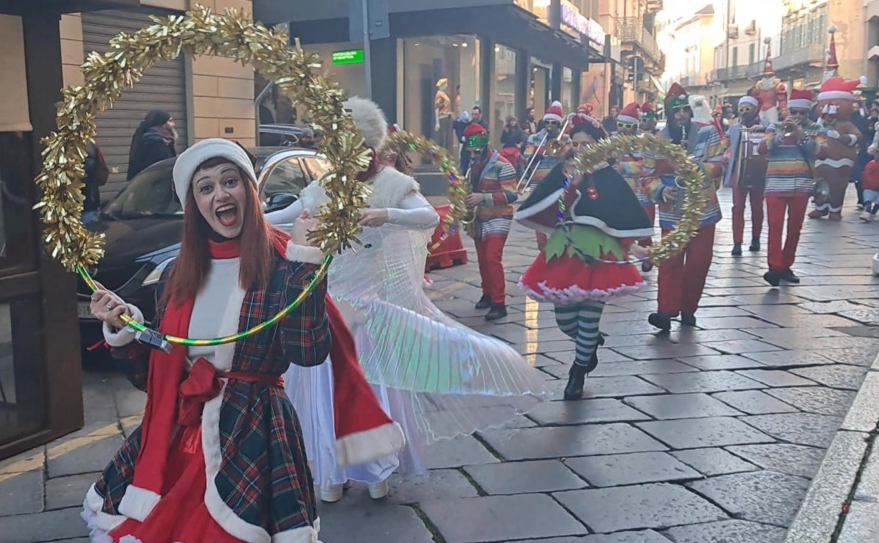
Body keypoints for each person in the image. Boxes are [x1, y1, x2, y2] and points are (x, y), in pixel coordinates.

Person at [84, 138, 403, 543]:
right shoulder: (179, 272)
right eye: (205, 187)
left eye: (229, 181)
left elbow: (308, 350)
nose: (220, 195)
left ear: (250, 190)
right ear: (193, 204)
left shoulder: (281, 260)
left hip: (250, 439)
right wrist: (124, 332)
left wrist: (305, 261)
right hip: (174, 450)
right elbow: (157, 379)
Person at [266, 98, 550, 502]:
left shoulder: (393, 183)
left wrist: (387, 214)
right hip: (324, 311)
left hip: (369, 310)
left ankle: (375, 469)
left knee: (374, 387)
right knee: (322, 391)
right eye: (336, 147)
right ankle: (329, 471)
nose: (343, 155)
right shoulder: (325, 186)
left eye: (350, 145)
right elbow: (286, 213)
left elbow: (428, 216)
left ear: (366, 144)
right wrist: (246, 215)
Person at [515, 117, 652, 400]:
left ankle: (577, 372)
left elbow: (619, 217)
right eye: (575, 143)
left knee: (589, 316)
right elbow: (555, 210)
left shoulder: (608, 176)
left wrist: (635, 248)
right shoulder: (562, 171)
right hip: (564, 251)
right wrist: (570, 186)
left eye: (585, 144)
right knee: (565, 321)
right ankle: (589, 344)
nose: (579, 149)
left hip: (599, 254)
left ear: (598, 146)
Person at [644, 84, 725, 331]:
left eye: (684, 110)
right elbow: (646, 176)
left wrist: (697, 169)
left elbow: (719, 164)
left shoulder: (708, 132)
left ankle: (689, 308)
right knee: (670, 261)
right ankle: (665, 311)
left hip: (704, 208)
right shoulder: (656, 141)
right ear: (668, 114)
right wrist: (660, 190)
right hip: (672, 209)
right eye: (676, 111)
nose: (681, 115)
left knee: (699, 262)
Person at [762, 96, 819, 287]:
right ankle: (773, 268)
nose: (798, 116)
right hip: (776, 184)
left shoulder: (816, 129)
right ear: (787, 112)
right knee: (775, 226)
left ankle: (786, 265)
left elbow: (820, 151)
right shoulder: (774, 126)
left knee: (794, 229)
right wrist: (781, 136)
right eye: (794, 112)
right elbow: (762, 148)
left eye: (802, 113)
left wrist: (801, 135)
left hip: (801, 185)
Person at [465, 122, 518, 322]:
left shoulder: (503, 166)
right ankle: (487, 293)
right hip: (480, 217)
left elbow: (512, 195)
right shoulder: (473, 165)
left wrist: (481, 198)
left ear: (485, 147)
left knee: (491, 258)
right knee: (481, 259)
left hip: (499, 216)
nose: (472, 156)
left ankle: (499, 303)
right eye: (469, 152)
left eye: (476, 152)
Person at [807, 76, 866, 220]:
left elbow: (857, 137)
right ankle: (820, 207)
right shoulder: (819, 124)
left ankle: (835, 209)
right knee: (820, 183)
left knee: (838, 185)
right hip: (822, 159)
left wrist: (841, 137)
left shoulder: (846, 124)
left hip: (841, 159)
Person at [613, 103, 658, 270]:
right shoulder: (611, 140)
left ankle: (647, 256)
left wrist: (625, 167)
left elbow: (648, 165)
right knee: (620, 228)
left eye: (627, 126)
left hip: (642, 191)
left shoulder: (646, 141)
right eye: (621, 126)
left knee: (644, 228)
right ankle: (621, 259)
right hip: (619, 192)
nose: (623, 130)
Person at [726, 96, 769, 256]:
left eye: (748, 108)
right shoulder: (734, 128)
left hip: (759, 172)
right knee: (737, 208)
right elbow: (726, 145)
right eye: (742, 109)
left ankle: (756, 238)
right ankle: (737, 242)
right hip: (739, 172)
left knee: (757, 207)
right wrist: (726, 154)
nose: (745, 112)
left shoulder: (767, 126)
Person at [127, 110, 177, 180]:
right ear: (162, 123)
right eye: (170, 121)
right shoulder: (156, 142)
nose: (173, 124)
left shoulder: (147, 138)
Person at [82, 142, 111, 226]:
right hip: (89, 200)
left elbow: (89, 167)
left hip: (87, 200)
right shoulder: (89, 144)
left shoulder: (86, 145)